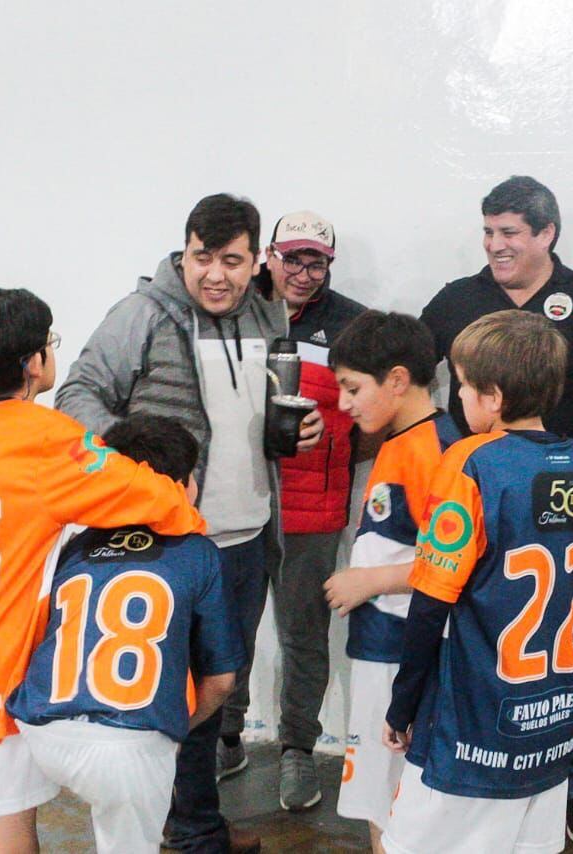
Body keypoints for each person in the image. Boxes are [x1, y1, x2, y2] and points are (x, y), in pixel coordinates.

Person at [55, 193, 324, 854]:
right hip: (173, 542)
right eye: (203, 257)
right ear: (185, 251)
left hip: (249, 535)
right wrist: (135, 454)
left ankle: (187, 820)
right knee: (179, 688)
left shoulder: (267, 312)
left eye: (232, 261)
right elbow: (76, 394)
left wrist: (296, 430)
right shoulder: (143, 314)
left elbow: (257, 409)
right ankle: (190, 831)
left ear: (255, 260)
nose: (216, 275)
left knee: (214, 686)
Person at [420, 175, 573, 847]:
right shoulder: (456, 300)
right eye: (489, 233)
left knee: (568, 654)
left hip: (564, 515)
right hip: (473, 507)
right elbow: (407, 381)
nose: (496, 247)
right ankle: (461, 772)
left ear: (547, 233)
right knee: (462, 645)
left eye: (511, 234)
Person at [0, 286, 204, 854]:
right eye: (50, 342)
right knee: (7, 831)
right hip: (0, 663)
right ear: (34, 361)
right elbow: (155, 498)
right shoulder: (47, 438)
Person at [382, 310, 573, 854]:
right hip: (552, 722)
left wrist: (402, 704)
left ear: (491, 396)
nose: (457, 399)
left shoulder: (470, 462)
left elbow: (431, 601)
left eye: (461, 386)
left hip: (469, 724)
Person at [7, 416, 244, 854]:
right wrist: (173, 732)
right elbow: (222, 681)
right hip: (127, 749)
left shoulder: (76, 544)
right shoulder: (198, 552)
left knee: (8, 830)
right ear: (179, 485)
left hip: (36, 727)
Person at [323, 310, 461, 854]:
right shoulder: (401, 441)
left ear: (398, 380)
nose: (343, 404)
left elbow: (455, 562)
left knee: (393, 798)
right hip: (382, 644)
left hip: (401, 651)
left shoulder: (434, 450)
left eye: (353, 388)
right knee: (381, 797)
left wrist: (370, 580)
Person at [242, 210, 367, 810]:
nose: (302, 272)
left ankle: (297, 749)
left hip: (312, 510)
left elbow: (371, 413)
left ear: (329, 265)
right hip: (236, 501)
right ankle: (224, 738)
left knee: (304, 637)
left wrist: (335, 451)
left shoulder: (353, 325)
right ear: (269, 256)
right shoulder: (235, 310)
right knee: (227, 628)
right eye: (291, 258)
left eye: (314, 261)